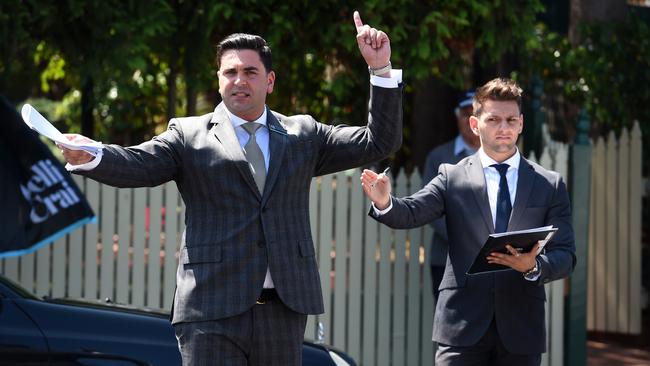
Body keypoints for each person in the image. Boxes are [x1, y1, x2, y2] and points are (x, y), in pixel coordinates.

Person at [59, 11, 402, 366]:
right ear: (219, 80)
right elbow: (139, 163)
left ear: (269, 81)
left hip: (283, 309)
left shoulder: (304, 134)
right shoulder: (188, 134)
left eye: (250, 72)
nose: (239, 80)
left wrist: (380, 69)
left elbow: (379, 141)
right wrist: (94, 155)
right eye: (230, 72)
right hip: (210, 307)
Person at [360, 78, 575, 366]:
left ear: (521, 123)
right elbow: (411, 212)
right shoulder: (452, 176)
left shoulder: (549, 183)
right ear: (475, 125)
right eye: (494, 119)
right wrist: (385, 202)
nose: (504, 127)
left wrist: (535, 266)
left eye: (511, 119)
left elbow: (566, 254)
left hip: (522, 327)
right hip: (462, 325)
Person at [423, 89, 480, 301]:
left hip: (489, 263)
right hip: (445, 259)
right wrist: (466, 237)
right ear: (457, 117)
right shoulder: (439, 157)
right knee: (447, 329)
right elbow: (429, 208)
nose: (469, 120)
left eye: (475, 114)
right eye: (465, 114)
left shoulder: (498, 157)